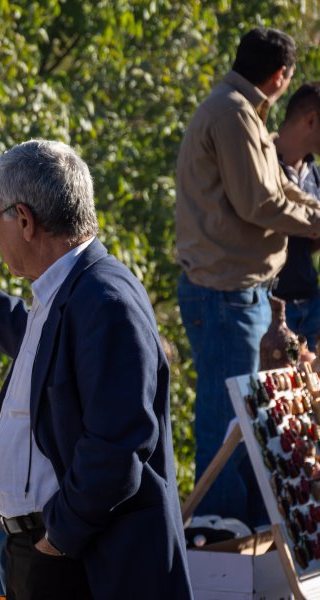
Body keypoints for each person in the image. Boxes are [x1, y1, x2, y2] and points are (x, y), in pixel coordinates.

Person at [0, 140, 192, 599]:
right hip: (56, 550)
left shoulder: (106, 300)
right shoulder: (71, 285)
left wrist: (56, 540)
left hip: (82, 559)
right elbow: (46, 352)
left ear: (23, 220)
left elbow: (118, 445)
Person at [176, 27, 320, 527]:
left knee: (247, 415)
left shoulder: (242, 111)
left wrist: (315, 211)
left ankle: (237, 523)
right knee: (225, 412)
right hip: (224, 294)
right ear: (280, 76)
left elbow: (279, 187)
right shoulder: (232, 113)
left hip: (241, 294)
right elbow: (259, 203)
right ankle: (215, 524)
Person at [274, 82, 320, 353]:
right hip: (271, 305)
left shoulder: (315, 174)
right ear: (311, 120)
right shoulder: (263, 165)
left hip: (310, 299)